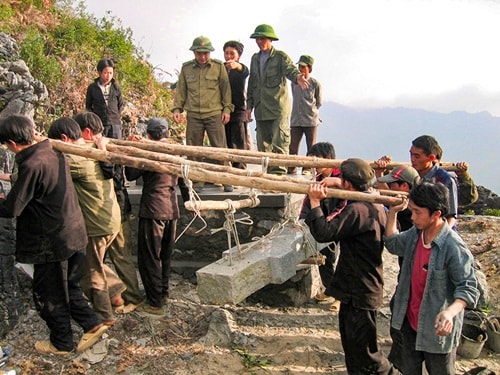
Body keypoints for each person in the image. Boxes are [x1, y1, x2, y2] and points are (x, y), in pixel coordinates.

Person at [0, 115, 107, 354]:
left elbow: (12, 208)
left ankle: (61, 342)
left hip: (52, 240)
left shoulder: (31, 164)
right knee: (69, 285)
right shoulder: (52, 149)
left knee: (49, 293)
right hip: (74, 232)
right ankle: (92, 322)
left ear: (12, 143)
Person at [305, 158, 394, 374]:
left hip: (360, 291)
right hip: (360, 289)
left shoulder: (358, 210)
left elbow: (324, 232)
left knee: (366, 355)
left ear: (347, 183)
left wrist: (315, 202)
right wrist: (336, 183)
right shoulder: (373, 202)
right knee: (353, 350)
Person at [385, 182, 479, 375]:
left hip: (437, 332)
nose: (412, 217)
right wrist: (393, 213)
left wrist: (449, 313)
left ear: (436, 214)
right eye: (411, 211)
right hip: (410, 324)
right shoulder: (415, 235)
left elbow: (469, 288)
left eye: (418, 212)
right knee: (409, 369)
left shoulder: (453, 247)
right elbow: (393, 244)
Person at [47, 117, 123, 326]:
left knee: (91, 270)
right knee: (95, 261)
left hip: (96, 224)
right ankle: (116, 294)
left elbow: (46, 170)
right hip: (110, 219)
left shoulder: (75, 160)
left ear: (64, 139)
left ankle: (105, 316)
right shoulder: (92, 148)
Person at [74, 111, 143, 314]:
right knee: (106, 259)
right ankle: (116, 296)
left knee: (114, 257)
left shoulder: (103, 149)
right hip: (112, 209)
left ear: (86, 132)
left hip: (114, 209)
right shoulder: (100, 146)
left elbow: (111, 174)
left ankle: (130, 297)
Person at [125, 118, 182, 315]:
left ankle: (155, 302)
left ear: (149, 135)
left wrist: (133, 148)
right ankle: (163, 292)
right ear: (167, 133)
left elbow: (130, 173)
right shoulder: (176, 150)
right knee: (165, 255)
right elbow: (184, 179)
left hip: (153, 209)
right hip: (172, 208)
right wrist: (191, 202)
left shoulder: (150, 151)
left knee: (150, 257)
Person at [245, 24, 310, 175]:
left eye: (263, 38)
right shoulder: (254, 59)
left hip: (277, 108)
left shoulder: (280, 56)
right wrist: (249, 106)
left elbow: (290, 70)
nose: (260, 42)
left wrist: (297, 77)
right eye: (258, 39)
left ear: (271, 39)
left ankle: (279, 176)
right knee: (263, 145)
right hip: (261, 109)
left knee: (280, 143)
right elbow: (252, 83)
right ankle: (267, 175)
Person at [172, 36, 234, 192]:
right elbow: (181, 91)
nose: (203, 56)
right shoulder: (186, 69)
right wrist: (177, 109)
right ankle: (197, 180)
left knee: (220, 149)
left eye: (206, 53)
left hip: (214, 114)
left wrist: (227, 109)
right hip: (193, 115)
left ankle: (226, 179)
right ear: (194, 53)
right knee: (194, 150)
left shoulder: (218, 67)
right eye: (199, 53)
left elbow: (226, 90)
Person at [376, 164, 420, 371]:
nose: (387, 188)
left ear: (404, 186)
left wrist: (393, 213)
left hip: (417, 274)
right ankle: (398, 360)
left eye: (392, 184)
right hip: (408, 272)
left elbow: (393, 242)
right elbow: (379, 190)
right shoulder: (409, 205)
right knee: (398, 311)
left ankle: (402, 363)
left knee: (401, 315)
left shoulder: (413, 212)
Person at [299, 142, 345, 309]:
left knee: (342, 260)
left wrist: (331, 220)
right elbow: (307, 203)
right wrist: (302, 221)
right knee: (325, 258)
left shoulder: (342, 178)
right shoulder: (318, 179)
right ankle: (331, 289)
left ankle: (340, 296)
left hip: (342, 223)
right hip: (325, 223)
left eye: (317, 160)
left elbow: (344, 204)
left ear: (329, 159)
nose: (315, 164)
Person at [377, 135, 458, 228]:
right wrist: (379, 174)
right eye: (411, 154)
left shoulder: (445, 179)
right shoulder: (409, 174)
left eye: (417, 156)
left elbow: (451, 216)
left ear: (431, 158)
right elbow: (391, 197)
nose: (412, 159)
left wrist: (438, 235)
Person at [288, 55, 322, 175]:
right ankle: (291, 168)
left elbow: (318, 101)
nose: (300, 69)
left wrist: (312, 111)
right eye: (299, 66)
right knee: (292, 145)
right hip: (296, 119)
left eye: (303, 67)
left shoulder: (315, 83)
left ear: (309, 68)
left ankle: (307, 169)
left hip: (310, 120)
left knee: (311, 146)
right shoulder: (294, 83)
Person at [223, 40, 249, 169]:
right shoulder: (220, 68)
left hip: (238, 111)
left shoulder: (241, 69)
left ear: (239, 55)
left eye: (232, 54)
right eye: (226, 53)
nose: (228, 56)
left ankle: (240, 170)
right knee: (226, 141)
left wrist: (235, 65)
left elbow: (244, 70)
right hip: (222, 111)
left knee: (238, 143)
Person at [85, 59, 124, 140]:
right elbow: (88, 106)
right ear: (99, 72)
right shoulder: (92, 88)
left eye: (110, 73)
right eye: (105, 73)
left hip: (115, 125)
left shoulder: (115, 87)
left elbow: (121, 105)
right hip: (99, 125)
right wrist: (94, 120)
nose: (108, 76)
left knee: (117, 148)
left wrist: (116, 116)